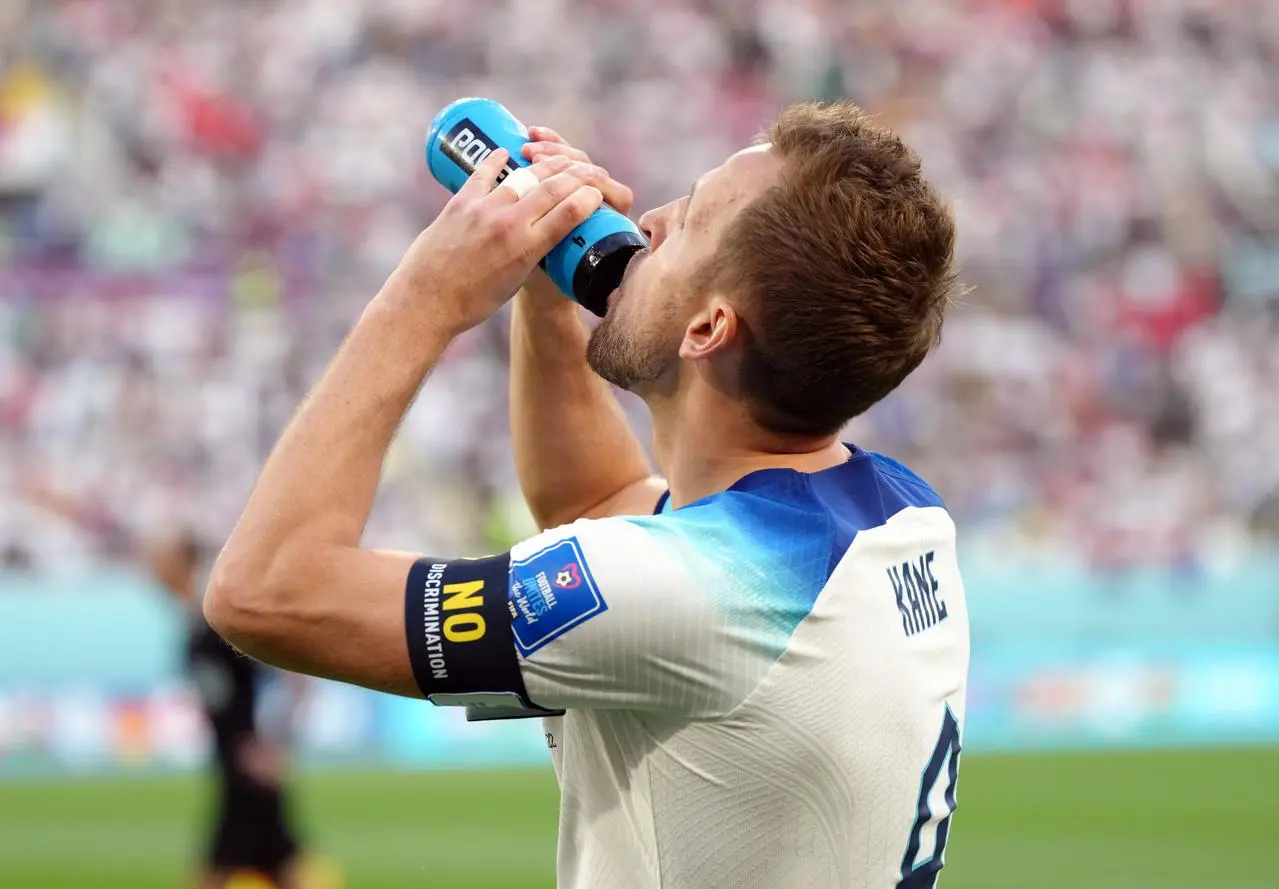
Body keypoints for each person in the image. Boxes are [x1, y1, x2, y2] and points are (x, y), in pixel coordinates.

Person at [204, 100, 970, 889]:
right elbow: (598, 501)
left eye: (692, 218)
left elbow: (264, 590)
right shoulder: (899, 513)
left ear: (707, 329)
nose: (656, 219)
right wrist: (548, 286)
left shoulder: (699, 594)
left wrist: (423, 296)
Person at [20, 480, 316, 889]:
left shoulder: (218, 625)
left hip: (247, 776)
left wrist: (277, 742)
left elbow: (295, 672)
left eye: (160, 555)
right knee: (282, 872)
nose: (150, 563)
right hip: (234, 774)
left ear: (182, 562)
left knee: (221, 875)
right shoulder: (192, 624)